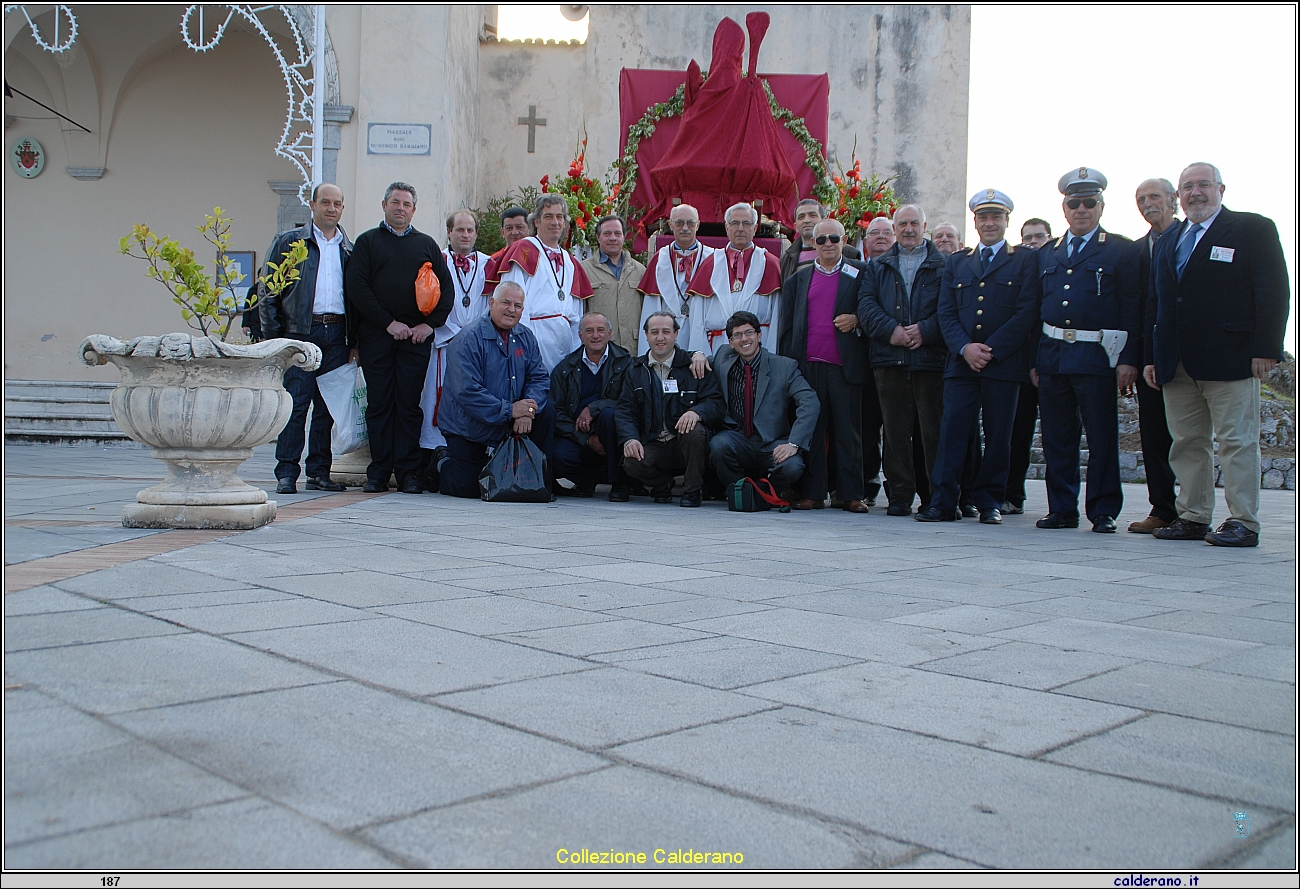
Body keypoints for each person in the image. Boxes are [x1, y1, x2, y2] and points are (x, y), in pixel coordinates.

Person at [1146, 162, 1290, 547]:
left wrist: (1266, 349)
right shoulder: (1168, 239)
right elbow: (1157, 302)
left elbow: (1274, 291)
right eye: (1188, 187)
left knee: (1236, 442)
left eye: (1203, 185)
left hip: (1232, 357)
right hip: (1176, 363)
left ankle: (1244, 521)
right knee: (1187, 442)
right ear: (1179, 196)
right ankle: (1193, 516)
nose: (1196, 193)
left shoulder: (1252, 229)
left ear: (1221, 189)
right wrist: (1151, 356)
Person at [918, 189, 1038, 524]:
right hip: (962, 362)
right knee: (952, 433)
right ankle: (944, 501)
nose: (989, 223)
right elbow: (946, 313)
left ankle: (990, 502)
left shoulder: (1024, 260)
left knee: (1000, 435)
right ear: (975, 221)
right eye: (983, 217)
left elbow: (1026, 311)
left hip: (1003, 364)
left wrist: (991, 350)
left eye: (996, 217)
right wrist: (965, 348)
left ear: (1006, 221)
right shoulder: (958, 261)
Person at [1032, 168, 1140, 533]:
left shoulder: (1120, 250)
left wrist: (1128, 360)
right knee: (1057, 438)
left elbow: (1132, 308)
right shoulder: (1048, 254)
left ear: (1101, 206)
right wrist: (1036, 358)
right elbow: (1036, 309)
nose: (1081, 209)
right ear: (1064, 208)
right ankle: (1062, 508)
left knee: (1101, 436)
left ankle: (1103, 509)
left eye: (1089, 202)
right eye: (1074, 203)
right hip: (1053, 356)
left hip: (1097, 357)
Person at [345, 182, 452, 494]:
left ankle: (408, 473)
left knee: (408, 406)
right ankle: (378, 472)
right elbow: (358, 289)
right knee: (379, 405)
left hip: (415, 343)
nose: (400, 208)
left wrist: (428, 326)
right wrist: (388, 322)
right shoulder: (367, 243)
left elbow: (446, 292)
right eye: (395, 203)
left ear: (414, 210)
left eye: (406, 204)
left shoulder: (426, 245)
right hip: (377, 338)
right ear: (384, 205)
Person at [257, 183, 353, 495]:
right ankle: (286, 471)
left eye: (337, 203)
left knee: (327, 408)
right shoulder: (290, 242)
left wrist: (354, 342)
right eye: (325, 202)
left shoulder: (347, 249)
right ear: (311, 205)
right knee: (296, 405)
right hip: (300, 332)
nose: (331, 208)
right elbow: (268, 290)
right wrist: (276, 341)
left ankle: (319, 472)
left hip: (336, 332)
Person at [858, 204, 947, 516]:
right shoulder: (876, 266)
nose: (908, 229)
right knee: (895, 433)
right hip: (888, 358)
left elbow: (950, 308)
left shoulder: (943, 265)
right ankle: (899, 495)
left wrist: (927, 330)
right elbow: (866, 306)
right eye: (902, 224)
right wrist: (892, 331)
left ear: (924, 226)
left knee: (932, 431)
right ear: (894, 229)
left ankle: (936, 495)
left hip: (930, 359)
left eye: (914, 223)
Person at [777, 218, 871, 512]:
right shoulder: (797, 280)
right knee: (812, 432)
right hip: (809, 367)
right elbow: (787, 328)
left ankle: (851, 493)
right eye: (821, 240)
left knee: (848, 432)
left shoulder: (861, 274)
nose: (828, 244)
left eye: (834, 238)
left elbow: (872, 309)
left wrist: (857, 320)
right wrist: (790, 367)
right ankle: (813, 492)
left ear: (845, 241)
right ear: (812, 244)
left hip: (846, 365)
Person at [437, 281, 555, 498]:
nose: (512, 310)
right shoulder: (468, 339)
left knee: (547, 411)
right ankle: (440, 460)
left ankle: (540, 477)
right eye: (506, 303)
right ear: (491, 303)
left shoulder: (525, 336)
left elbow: (539, 378)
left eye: (518, 305)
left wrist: (528, 410)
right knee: (472, 487)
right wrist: (511, 410)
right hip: (470, 429)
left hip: (507, 422)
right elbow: (467, 392)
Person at [615, 311, 726, 507]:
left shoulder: (694, 365)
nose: (660, 337)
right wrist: (630, 439)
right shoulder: (635, 371)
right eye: (654, 332)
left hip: (684, 443)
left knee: (695, 431)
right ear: (646, 335)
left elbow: (715, 402)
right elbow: (626, 410)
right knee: (630, 461)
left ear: (676, 334)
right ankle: (661, 483)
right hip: (653, 442)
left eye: (666, 331)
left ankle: (692, 491)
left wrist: (697, 412)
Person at [416, 209, 491, 489]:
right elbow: (427, 300)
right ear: (449, 232)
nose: (465, 235)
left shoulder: (488, 264)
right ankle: (431, 459)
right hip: (444, 345)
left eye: (470, 230)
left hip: (475, 349)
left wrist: (474, 337)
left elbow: (490, 304)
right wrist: (453, 334)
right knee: (434, 400)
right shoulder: (437, 261)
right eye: (460, 230)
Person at [710, 310, 819, 498]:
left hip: (772, 442)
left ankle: (765, 494)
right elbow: (695, 359)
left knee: (792, 466)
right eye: (737, 335)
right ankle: (739, 493)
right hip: (737, 438)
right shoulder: (722, 358)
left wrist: (793, 443)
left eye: (749, 332)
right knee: (718, 445)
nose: (744, 339)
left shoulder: (784, 366)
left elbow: (810, 401)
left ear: (759, 335)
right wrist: (696, 354)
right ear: (730, 342)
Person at [1125, 178, 1181, 534]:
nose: (1148, 204)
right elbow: (1130, 309)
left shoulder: (1189, 240)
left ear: (1173, 200)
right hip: (1149, 360)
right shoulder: (1134, 251)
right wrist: (1131, 360)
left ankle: (1194, 509)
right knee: (1155, 437)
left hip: (1188, 357)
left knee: (1190, 438)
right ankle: (1163, 509)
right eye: (1141, 199)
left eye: (1155, 197)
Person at [491, 194, 593, 371]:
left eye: (559, 217)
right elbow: (512, 301)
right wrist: (523, 346)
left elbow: (577, 312)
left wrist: (577, 352)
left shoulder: (570, 261)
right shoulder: (523, 250)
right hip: (534, 339)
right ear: (536, 221)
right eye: (548, 216)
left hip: (565, 343)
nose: (555, 222)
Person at [550, 312, 633, 500]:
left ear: (610, 333)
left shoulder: (627, 363)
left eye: (600, 330)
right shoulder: (565, 368)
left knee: (609, 415)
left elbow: (630, 402)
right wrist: (585, 439)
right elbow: (556, 411)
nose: (596, 335)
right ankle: (587, 479)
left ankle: (619, 483)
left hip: (613, 435)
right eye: (589, 331)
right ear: (580, 336)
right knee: (558, 456)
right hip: (578, 435)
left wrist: (595, 407)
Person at [686, 202, 782, 360]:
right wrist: (699, 353)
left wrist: (771, 357)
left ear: (755, 228)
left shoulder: (770, 264)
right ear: (727, 227)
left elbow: (777, 317)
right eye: (735, 223)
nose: (740, 229)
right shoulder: (710, 264)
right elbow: (697, 318)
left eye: (746, 223)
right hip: (718, 348)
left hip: (759, 348)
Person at [1003, 217, 1054, 514]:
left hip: (1051, 360)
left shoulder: (1056, 267)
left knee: (1056, 435)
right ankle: (1012, 493)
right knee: (1017, 433)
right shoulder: (1018, 269)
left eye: (1039, 237)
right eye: (1027, 238)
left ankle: (1060, 504)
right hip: (1021, 364)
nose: (1033, 243)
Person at [851, 214, 897, 507]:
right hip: (862, 362)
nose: (880, 237)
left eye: (885, 232)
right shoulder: (857, 269)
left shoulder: (904, 269)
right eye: (873, 233)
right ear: (864, 241)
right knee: (866, 429)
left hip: (895, 358)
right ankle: (868, 484)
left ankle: (898, 489)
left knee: (896, 429)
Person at [636, 203, 715, 356]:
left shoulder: (712, 258)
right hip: (666, 333)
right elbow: (650, 307)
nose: (685, 227)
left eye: (690, 223)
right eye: (679, 222)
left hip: (701, 330)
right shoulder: (660, 259)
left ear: (698, 225)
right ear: (670, 225)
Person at [581, 215, 646, 353]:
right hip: (601, 350)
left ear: (624, 237)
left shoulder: (640, 271)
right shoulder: (584, 270)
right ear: (598, 237)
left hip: (633, 350)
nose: (613, 238)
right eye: (607, 233)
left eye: (617, 233)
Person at [780, 198, 862, 281]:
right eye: (801, 217)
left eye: (812, 215)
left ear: (824, 219)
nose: (807, 220)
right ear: (795, 226)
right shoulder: (787, 258)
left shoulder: (849, 253)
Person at [482, 206, 530, 296]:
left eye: (519, 227)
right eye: (509, 228)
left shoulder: (538, 259)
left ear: (529, 228)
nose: (514, 232)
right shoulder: (492, 262)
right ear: (502, 232)